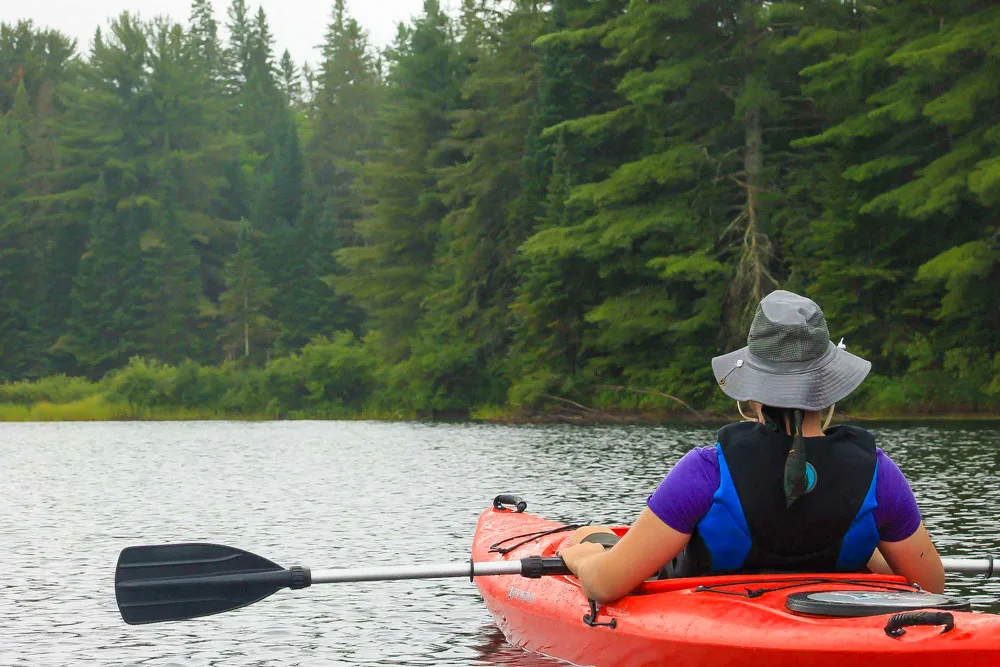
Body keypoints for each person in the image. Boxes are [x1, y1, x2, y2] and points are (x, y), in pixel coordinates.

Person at [558, 290, 944, 603]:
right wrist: (863, 544)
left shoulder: (706, 471)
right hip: (829, 628)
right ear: (827, 390)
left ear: (753, 389)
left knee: (589, 535)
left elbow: (604, 586)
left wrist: (580, 558)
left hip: (708, 628)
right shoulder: (879, 474)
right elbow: (930, 586)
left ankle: (585, 540)